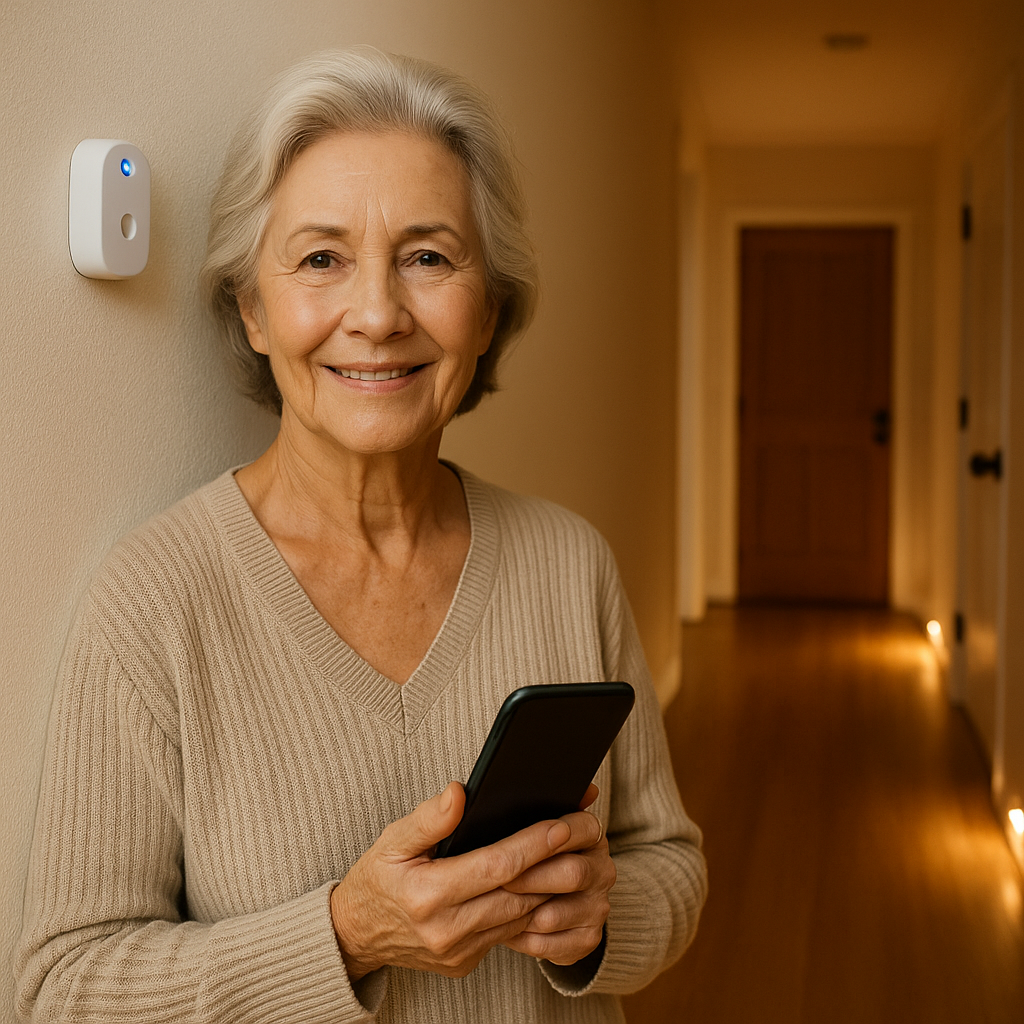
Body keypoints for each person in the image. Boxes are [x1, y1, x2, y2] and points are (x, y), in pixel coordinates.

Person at [16, 47, 706, 1024]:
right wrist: (345, 933)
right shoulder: (156, 601)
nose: (377, 315)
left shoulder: (567, 561)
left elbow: (670, 864)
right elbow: (59, 991)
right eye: (321, 259)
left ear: (488, 308)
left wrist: (598, 915)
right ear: (254, 309)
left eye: (427, 256)